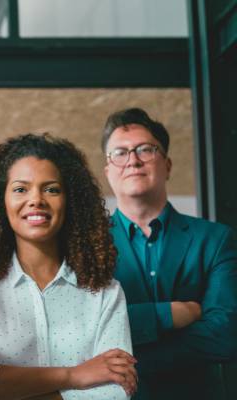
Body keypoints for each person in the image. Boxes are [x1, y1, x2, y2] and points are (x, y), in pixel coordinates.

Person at [0, 133, 136, 399]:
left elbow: (116, 392)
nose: (36, 199)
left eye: (51, 189)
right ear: (1, 202)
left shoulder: (105, 292)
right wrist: (76, 375)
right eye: (20, 189)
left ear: (71, 202)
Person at [101, 108, 237, 399]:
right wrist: (169, 314)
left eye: (145, 150)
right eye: (120, 153)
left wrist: (127, 360)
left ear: (168, 164)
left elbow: (225, 335)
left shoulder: (215, 239)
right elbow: (84, 328)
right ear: (108, 171)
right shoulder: (85, 244)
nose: (133, 160)